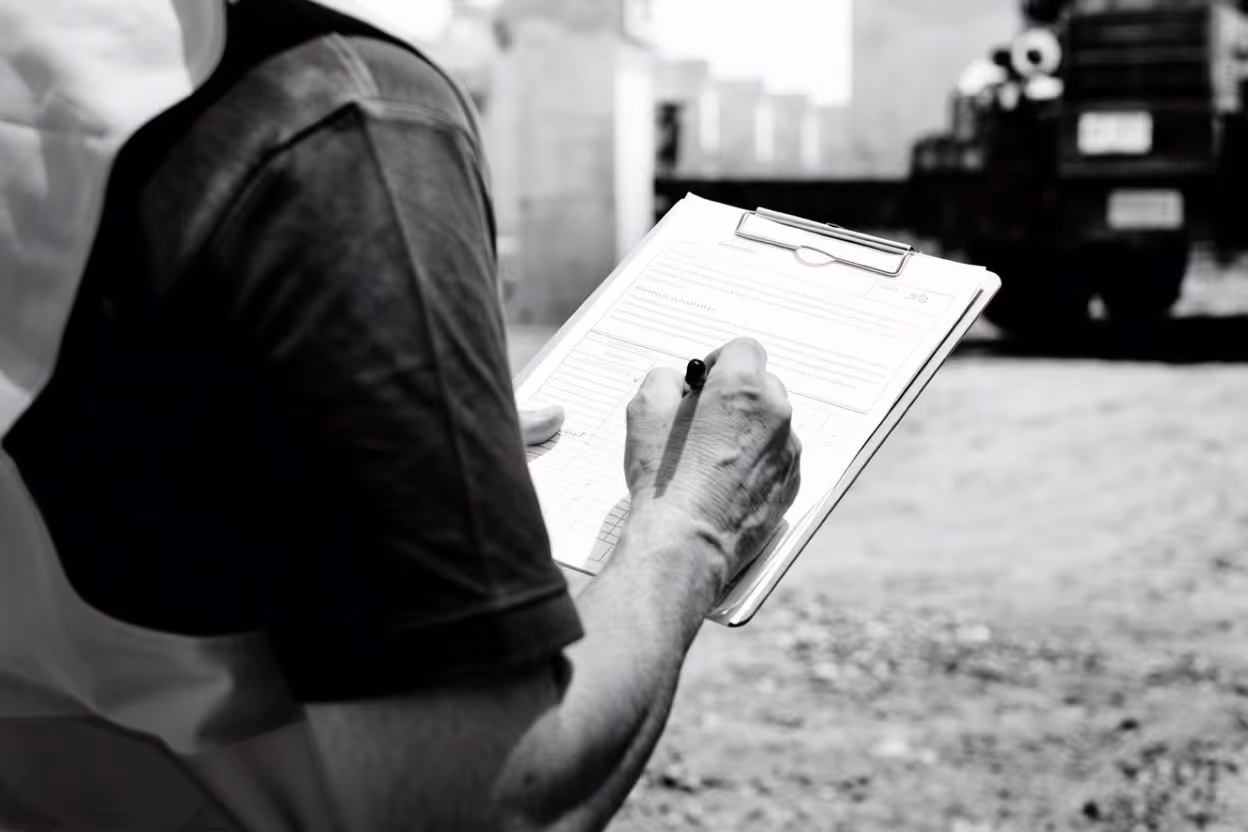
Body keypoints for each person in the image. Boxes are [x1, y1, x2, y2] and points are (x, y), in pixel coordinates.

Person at [0, 1, 802, 830]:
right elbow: (482, 800)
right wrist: (693, 525)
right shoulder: (330, 116)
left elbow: (97, 442)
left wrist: (352, 441)